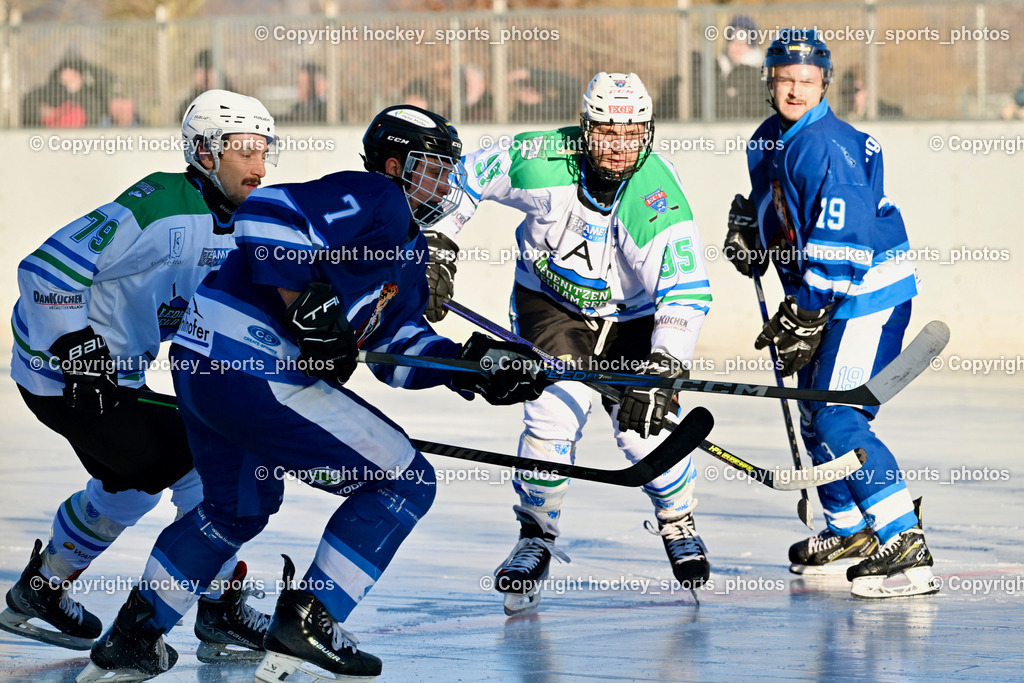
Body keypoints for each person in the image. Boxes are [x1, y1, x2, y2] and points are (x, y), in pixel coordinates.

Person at [76, 104, 548, 682]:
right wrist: (306, 305)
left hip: (204, 366)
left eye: (451, 171)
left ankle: (132, 639)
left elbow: (396, 350)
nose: (447, 185)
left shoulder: (409, 252)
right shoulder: (378, 196)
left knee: (234, 511)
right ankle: (311, 621)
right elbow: (267, 214)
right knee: (405, 482)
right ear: (395, 166)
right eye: (435, 169)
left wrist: (470, 366)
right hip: (253, 364)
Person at [2, 89, 280, 661]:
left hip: (113, 377)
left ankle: (41, 589)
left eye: (263, 149)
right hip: (65, 374)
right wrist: (77, 346)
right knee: (209, 467)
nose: (258, 164)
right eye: (243, 149)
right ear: (205, 152)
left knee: (128, 490)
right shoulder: (159, 205)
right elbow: (46, 267)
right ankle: (218, 607)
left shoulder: (243, 221)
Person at [424, 72, 713, 614]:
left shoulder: (657, 197)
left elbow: (686, 291)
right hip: (551, 305)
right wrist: (437, 245)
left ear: (649, 132)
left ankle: (677, 519)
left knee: (643, 432)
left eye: (633, 133)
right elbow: (464, 176)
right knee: (551, 415)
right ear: (585, 128)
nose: (620, 146)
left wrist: (663, 367)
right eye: (606, 132)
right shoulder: (542, 158)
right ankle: (535, 534)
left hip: (634, 319)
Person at [723, 30, 938, 598]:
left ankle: (904, 539)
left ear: (824, 85)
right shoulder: (767, 139)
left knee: (839, 417)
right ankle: (847, 532)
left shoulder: (827, 146)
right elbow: (784, 215)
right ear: (769, 81)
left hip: (865, 294)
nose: (795, 90)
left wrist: (807, 311)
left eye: (808, 81)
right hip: (822, 295)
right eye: (785, 80)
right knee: (815, 417)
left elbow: (844, 241)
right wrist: (756, 236)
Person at [716, 15, 767, 119]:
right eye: (733, 42)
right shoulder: (716, 67)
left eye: (742, 44)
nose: (737, 48)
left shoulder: (759, 74)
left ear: (751, 47)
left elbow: (758, 108)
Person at [836, 66, 904, 120]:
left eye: (855, 90)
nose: (850, 96)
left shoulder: (890, 115)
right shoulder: (837, 120)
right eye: (844, 92)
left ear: (867, 90)